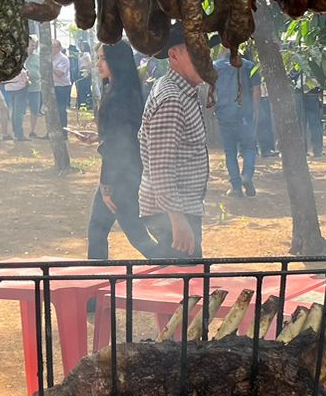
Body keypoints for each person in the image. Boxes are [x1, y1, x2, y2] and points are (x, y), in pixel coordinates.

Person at [137, 28, 211, 258]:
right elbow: (161, 168)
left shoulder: (183, 90)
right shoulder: (171, 100)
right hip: (170, 213)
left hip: (179, 208)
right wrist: (177, 220)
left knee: (189, 281)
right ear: (174, 56)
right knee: (186, 285)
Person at [88, 41, 156, 259]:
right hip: (127, 173)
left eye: (103, 58)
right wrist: (99, 137)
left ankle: (182, 269)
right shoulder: (123, 90)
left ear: (117, 61)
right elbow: (119, 136)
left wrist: (107, 185)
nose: (98, 63)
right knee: (100, 232)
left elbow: (120, 144)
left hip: (121, 177)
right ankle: (95, 287)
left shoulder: (118, 96)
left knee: (136, 236)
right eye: (98, 58)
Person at [212, 51, 259, 196]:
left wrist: (215, 109)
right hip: (245, 115)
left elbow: (212, 91)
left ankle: (236, 187)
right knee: (249, 148)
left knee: (230, 152)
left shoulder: (216, 67)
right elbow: (256, 92)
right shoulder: (250, 66)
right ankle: (247, 176)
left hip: (225, 115)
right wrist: (255, 112)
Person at [52, 40, 72, 132]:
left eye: (54, 47)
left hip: (62, 87)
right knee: (52, 109)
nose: (52, 49)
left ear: (59, 48)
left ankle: (63, 132)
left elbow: (59, 73)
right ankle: (52, 131)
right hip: (53, 86)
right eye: (51, 47)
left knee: (61, 109)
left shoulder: (63, 58)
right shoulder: (51, 58)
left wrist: (50, 65)